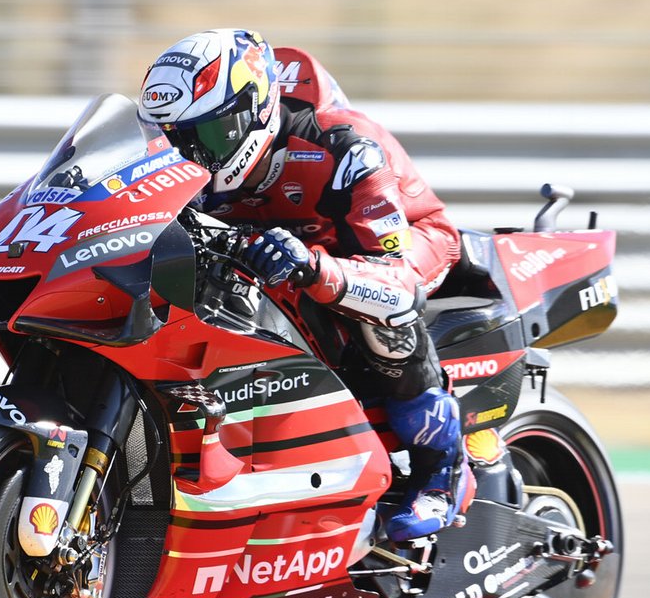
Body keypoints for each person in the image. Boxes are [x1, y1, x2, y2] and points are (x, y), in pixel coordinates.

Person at [138, 28, 473, 542]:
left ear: (254, 111)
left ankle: (440, 470)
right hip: (282, 251)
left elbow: (399, 280)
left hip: (398, 245)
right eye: (175, 136)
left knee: (384, 313)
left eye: (207, 135)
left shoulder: (344, 146)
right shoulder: (192, 166)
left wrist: (318, 268)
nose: (191, 153)